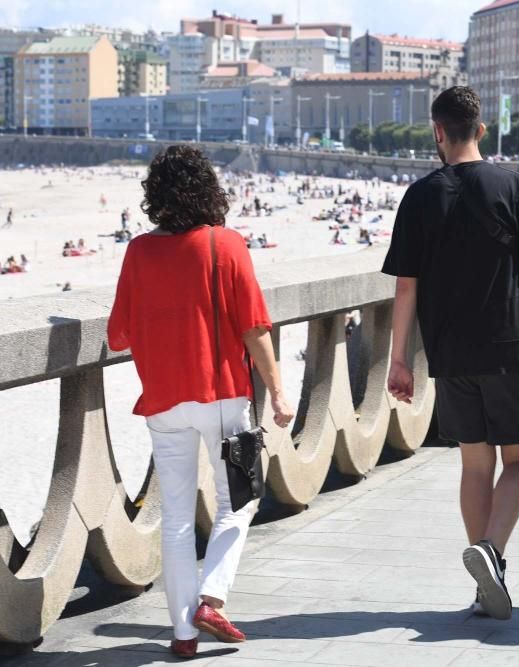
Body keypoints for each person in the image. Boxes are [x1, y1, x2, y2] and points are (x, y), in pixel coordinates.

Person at [382, 86, 519, 621]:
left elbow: (406, 287)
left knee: (474, 464)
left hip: (450, 352)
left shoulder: (419, 196)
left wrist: (399, 360)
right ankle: (491, 553)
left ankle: (483, 581)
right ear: (482, 131)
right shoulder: (512, 187)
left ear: (437, 131)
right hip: (508, 344)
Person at [107, 145, 294, 659]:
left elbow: (118, 335)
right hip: (222, 396)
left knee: (176, 519)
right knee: (241, 500)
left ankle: (183, 636)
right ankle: (212, 597)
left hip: (164, 402)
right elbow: (254, 328)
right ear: (209, 189)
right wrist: (277, 391)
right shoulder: (226, 244)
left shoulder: (139, 252)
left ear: (155, 196)